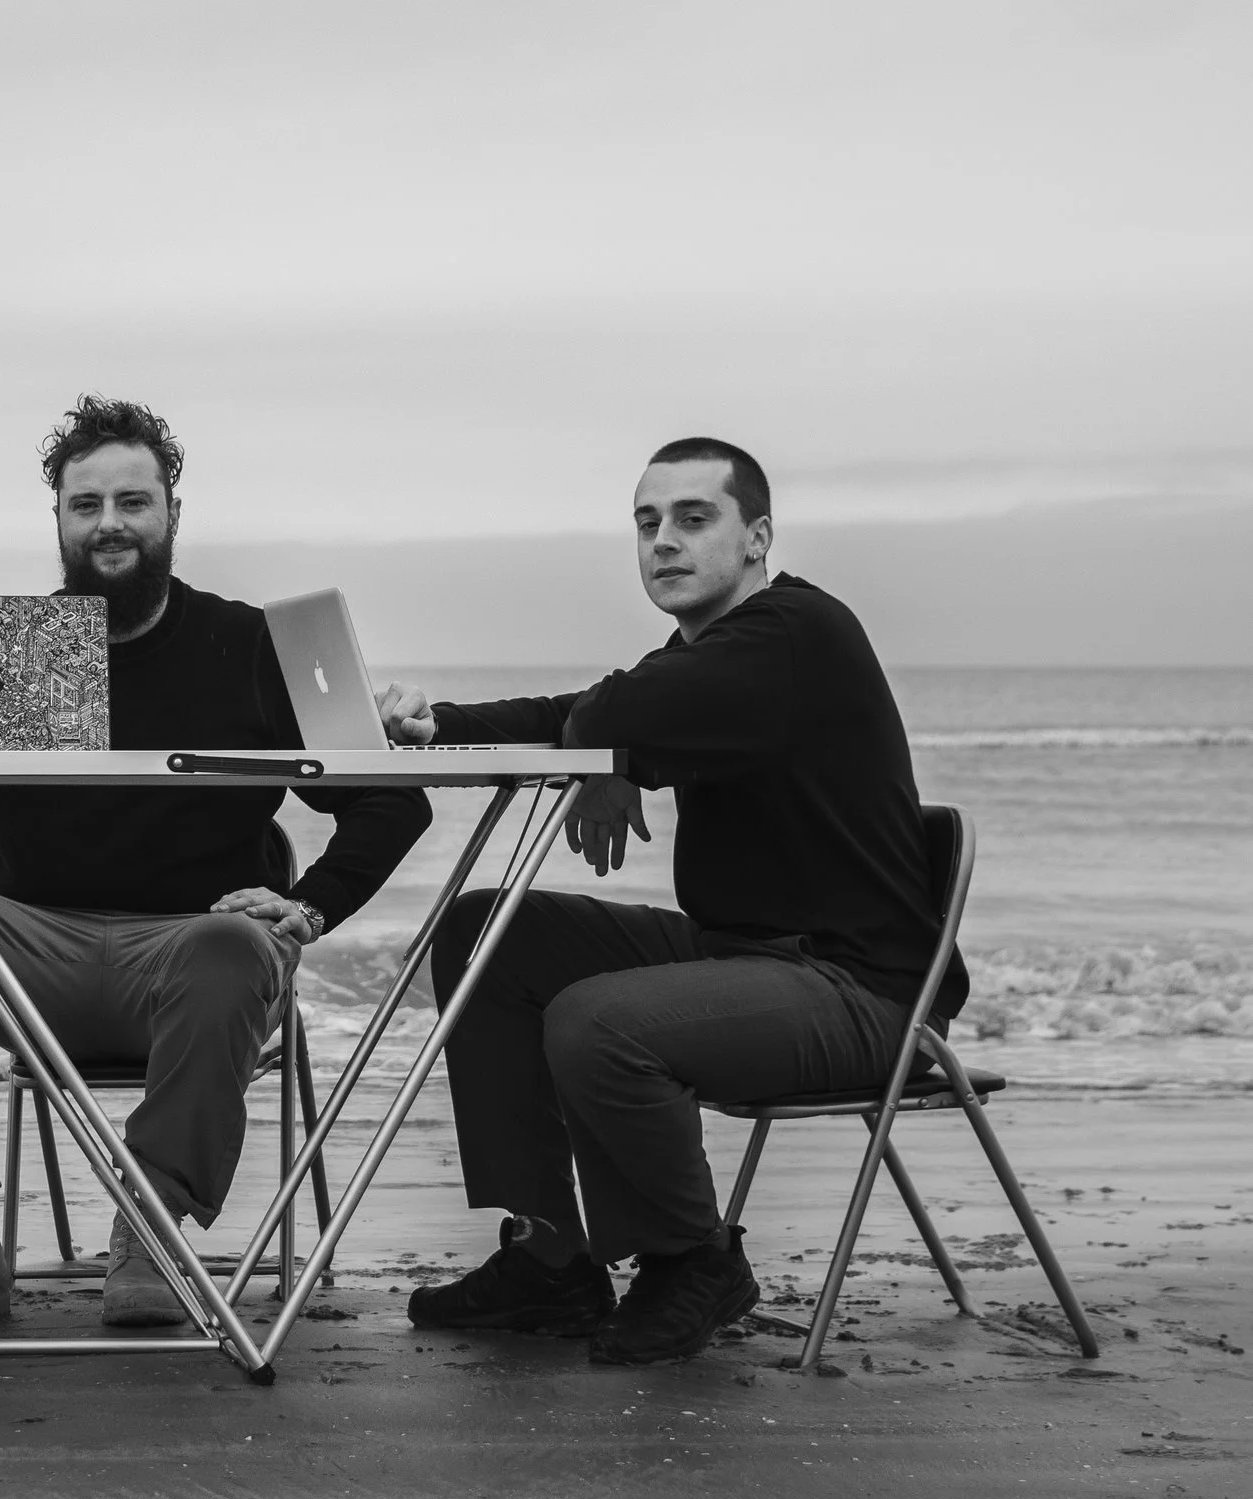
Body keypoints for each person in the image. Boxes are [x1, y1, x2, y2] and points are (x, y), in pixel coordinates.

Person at [0, 396, 434, 1328]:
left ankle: (152, 1236)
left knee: (236, 944)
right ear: (59, 521)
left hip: (192, 958)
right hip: (30, 960)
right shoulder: (10, 655)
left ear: (171, 513)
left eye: (132, 501)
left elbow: (393, 799)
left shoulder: (252, 647)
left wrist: (309, 907)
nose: (109, 524)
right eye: (86, 506)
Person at [380, 437, 961, 1366]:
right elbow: (590, 707)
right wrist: (434, 726)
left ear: (758, 535)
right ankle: (552, 1257)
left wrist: (613, 747)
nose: (664, 541)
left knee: (596, 1020)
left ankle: (693, 1259)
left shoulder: (796, 632)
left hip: (860, 990)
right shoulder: (707, 657)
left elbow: (613, 714)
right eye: (648, 523)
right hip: (741, 955)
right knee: (486, 931)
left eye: (695, 519)